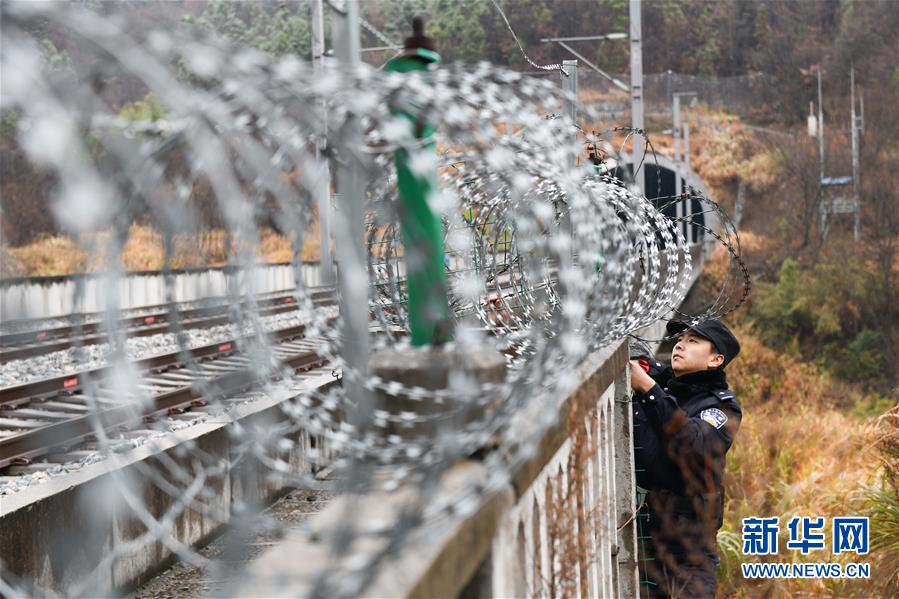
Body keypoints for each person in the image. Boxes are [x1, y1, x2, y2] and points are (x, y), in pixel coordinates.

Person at [629, 318, 742, 598]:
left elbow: (693, 445)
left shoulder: (721, 407)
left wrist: (648, 390)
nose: (679, 345)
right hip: (647, 535)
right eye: (680, 339)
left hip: (691, 548)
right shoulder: (666, 384)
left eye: (693, 341)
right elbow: (632, 352)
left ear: (716, 360)